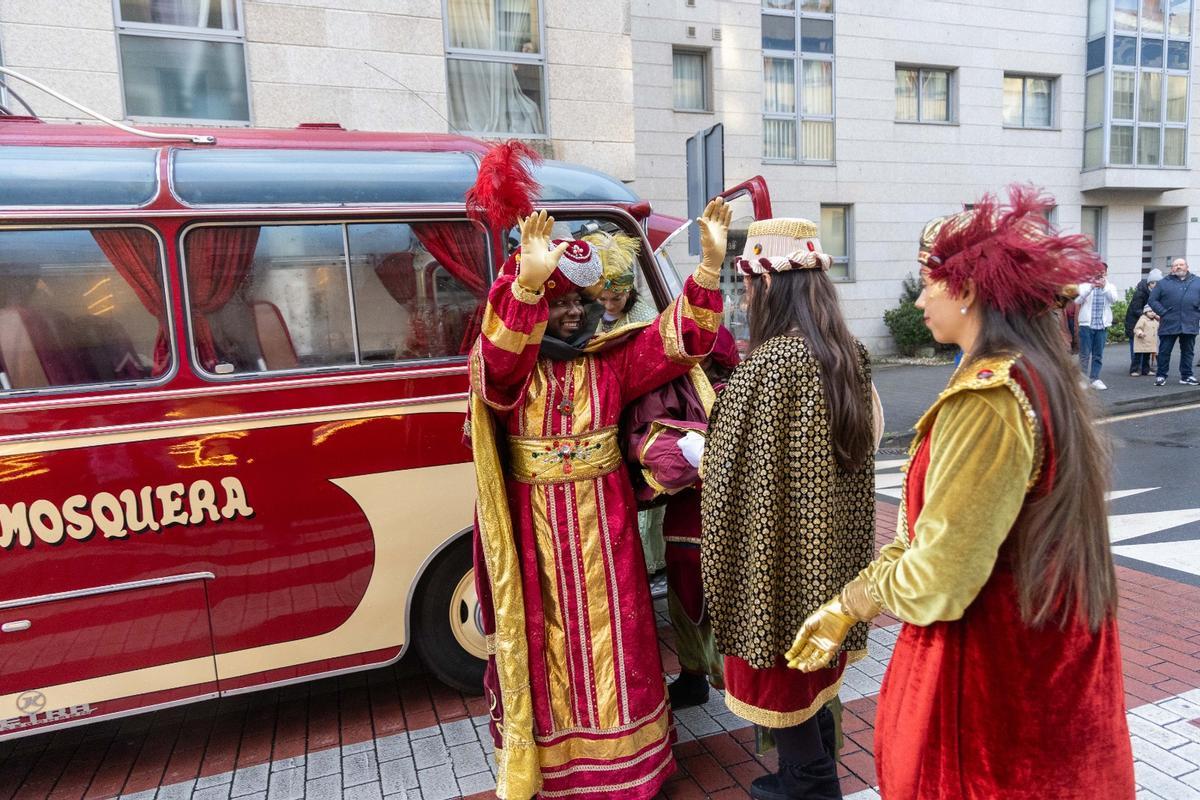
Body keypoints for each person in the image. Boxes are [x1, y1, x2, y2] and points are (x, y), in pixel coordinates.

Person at [786, 186, 1135, 800]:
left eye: (927, 281)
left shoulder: (990, 396)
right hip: (1038, 665)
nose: (919, 299)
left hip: (987, 687)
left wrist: (850, 603)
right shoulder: (1037, 373)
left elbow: (939, 578)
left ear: (967, 288)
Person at [466, 139, 732, 800]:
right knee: (549, 649)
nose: (566, 314)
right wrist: (522, 284)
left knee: (620, 642)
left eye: (572, 304)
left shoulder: (608, 357)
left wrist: (706, 271)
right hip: (537, 535)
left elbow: (677, 343)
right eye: (552, 303)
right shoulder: (510, 364)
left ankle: (630, 770)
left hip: (606, 520)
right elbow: (497, 371)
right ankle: (559, 770)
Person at [700, 218, 878, 800]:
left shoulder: (768, 366)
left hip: (776, 559)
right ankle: (810, 771)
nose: (744, 296)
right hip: (830, 557)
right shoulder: (847, 351)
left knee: (782, 672)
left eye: (748, 284)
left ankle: (810, 784)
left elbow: (727, 475)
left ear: (770, 287)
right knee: (814, 673)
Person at [623, 326, 741, 709]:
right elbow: (648, 448)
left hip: (726, 522)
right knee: (684, 599)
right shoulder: (671, 391)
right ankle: (693, 676)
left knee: (726, 607)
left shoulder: (734, 392)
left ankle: (741, 687)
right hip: (684, 520)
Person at [1148, 257, 1200, 386]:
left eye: (1181, 265)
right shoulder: (1163, 283)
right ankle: (1161, 376)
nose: (1178, 267)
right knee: (1165, 351)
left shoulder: (1197, 281)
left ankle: (1186, 376)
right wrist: (1163, 312)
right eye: (1175, 265)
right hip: (1169, 323)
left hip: (1189, 322)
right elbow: (1152, 300)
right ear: (1172, 268)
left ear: (1187, 266)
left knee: (1188, 351)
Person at [1074, 262, 1118, 390]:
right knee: (1084, 354)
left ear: (1106, 273)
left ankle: (1095, 378)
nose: (1100, 273)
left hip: (1102, 325)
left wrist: (1104, 287)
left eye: (1102, 271)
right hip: (1086, 325)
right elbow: (1077, 300)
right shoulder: (1085, 285)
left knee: (1098, 354)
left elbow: (1113, 300)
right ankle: (1082, 379)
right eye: (1097, 271)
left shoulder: (1110, 286)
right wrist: (1091, 287)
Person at [1126, 268, 1162, 375]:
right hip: (1135, 322)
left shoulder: (1157, 293)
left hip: (1148, 323)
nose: (1155, 285)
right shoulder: (1140, 292)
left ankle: (1145, 368)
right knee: (1136, 348)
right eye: (1153, 283)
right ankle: (1135, 369)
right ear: (1150, 283)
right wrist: (1149, 315)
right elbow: (1136, 308)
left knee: (1147, 347)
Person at [1133, 305, 1159, 376]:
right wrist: (1140, 333)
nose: (1152, 313)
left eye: (1154, 312)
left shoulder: (1154, 321)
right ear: (1145, 312)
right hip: (1141, 341)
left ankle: (1146, 371)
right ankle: (1134, 370)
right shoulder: (1142, 319)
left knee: (1146, 358)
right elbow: (1137, 328)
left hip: (1149, 343)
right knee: (1137, 357)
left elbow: (1159, 327)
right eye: (1150, 311)